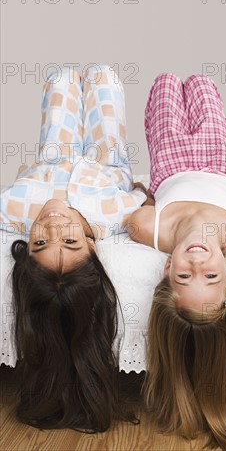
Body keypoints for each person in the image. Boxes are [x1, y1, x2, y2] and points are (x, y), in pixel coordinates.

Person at [0, 65, 147, 431]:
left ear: (24, 250)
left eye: (39, 241)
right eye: (68, 239)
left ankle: (66, 84)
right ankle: (102, 81)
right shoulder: (110, 218)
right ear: (94, 249)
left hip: (51, 159)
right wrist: (142, 192)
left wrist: (23, 175)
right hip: (107, 166)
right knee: (104, 77)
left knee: (63, 78)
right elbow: (140, 198)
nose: (52, 225)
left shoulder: (12, 210)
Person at [128, 72, 226, 449]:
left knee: (166, 85)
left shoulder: (150, 230)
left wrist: (149, 196)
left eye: (186, 277)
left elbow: (143, 206)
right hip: (219, 162)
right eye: (210, 275)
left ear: (167, 269)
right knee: (204, 86)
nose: (196, 261)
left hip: (170, 164)